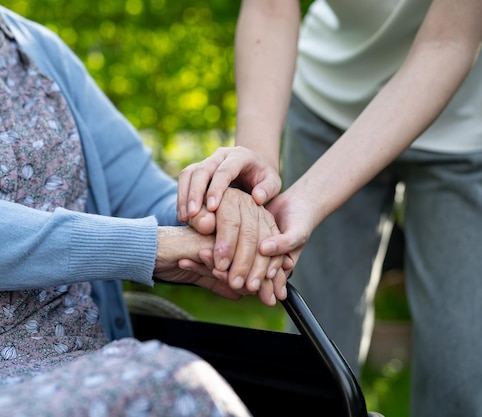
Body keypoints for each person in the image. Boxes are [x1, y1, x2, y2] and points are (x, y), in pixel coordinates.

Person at [0, 1, 281, 416]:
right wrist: (146, 246)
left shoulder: (41, 51)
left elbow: (151, 202)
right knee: (171, 381)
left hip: (83, 363)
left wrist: (226, 206)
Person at [176, 1, 482, 417]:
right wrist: (257, 160)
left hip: (466, 129)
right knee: (314, 363)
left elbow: (448, 41)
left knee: (462, 372)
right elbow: (270, 9)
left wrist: (308, 197)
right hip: (326, 106)